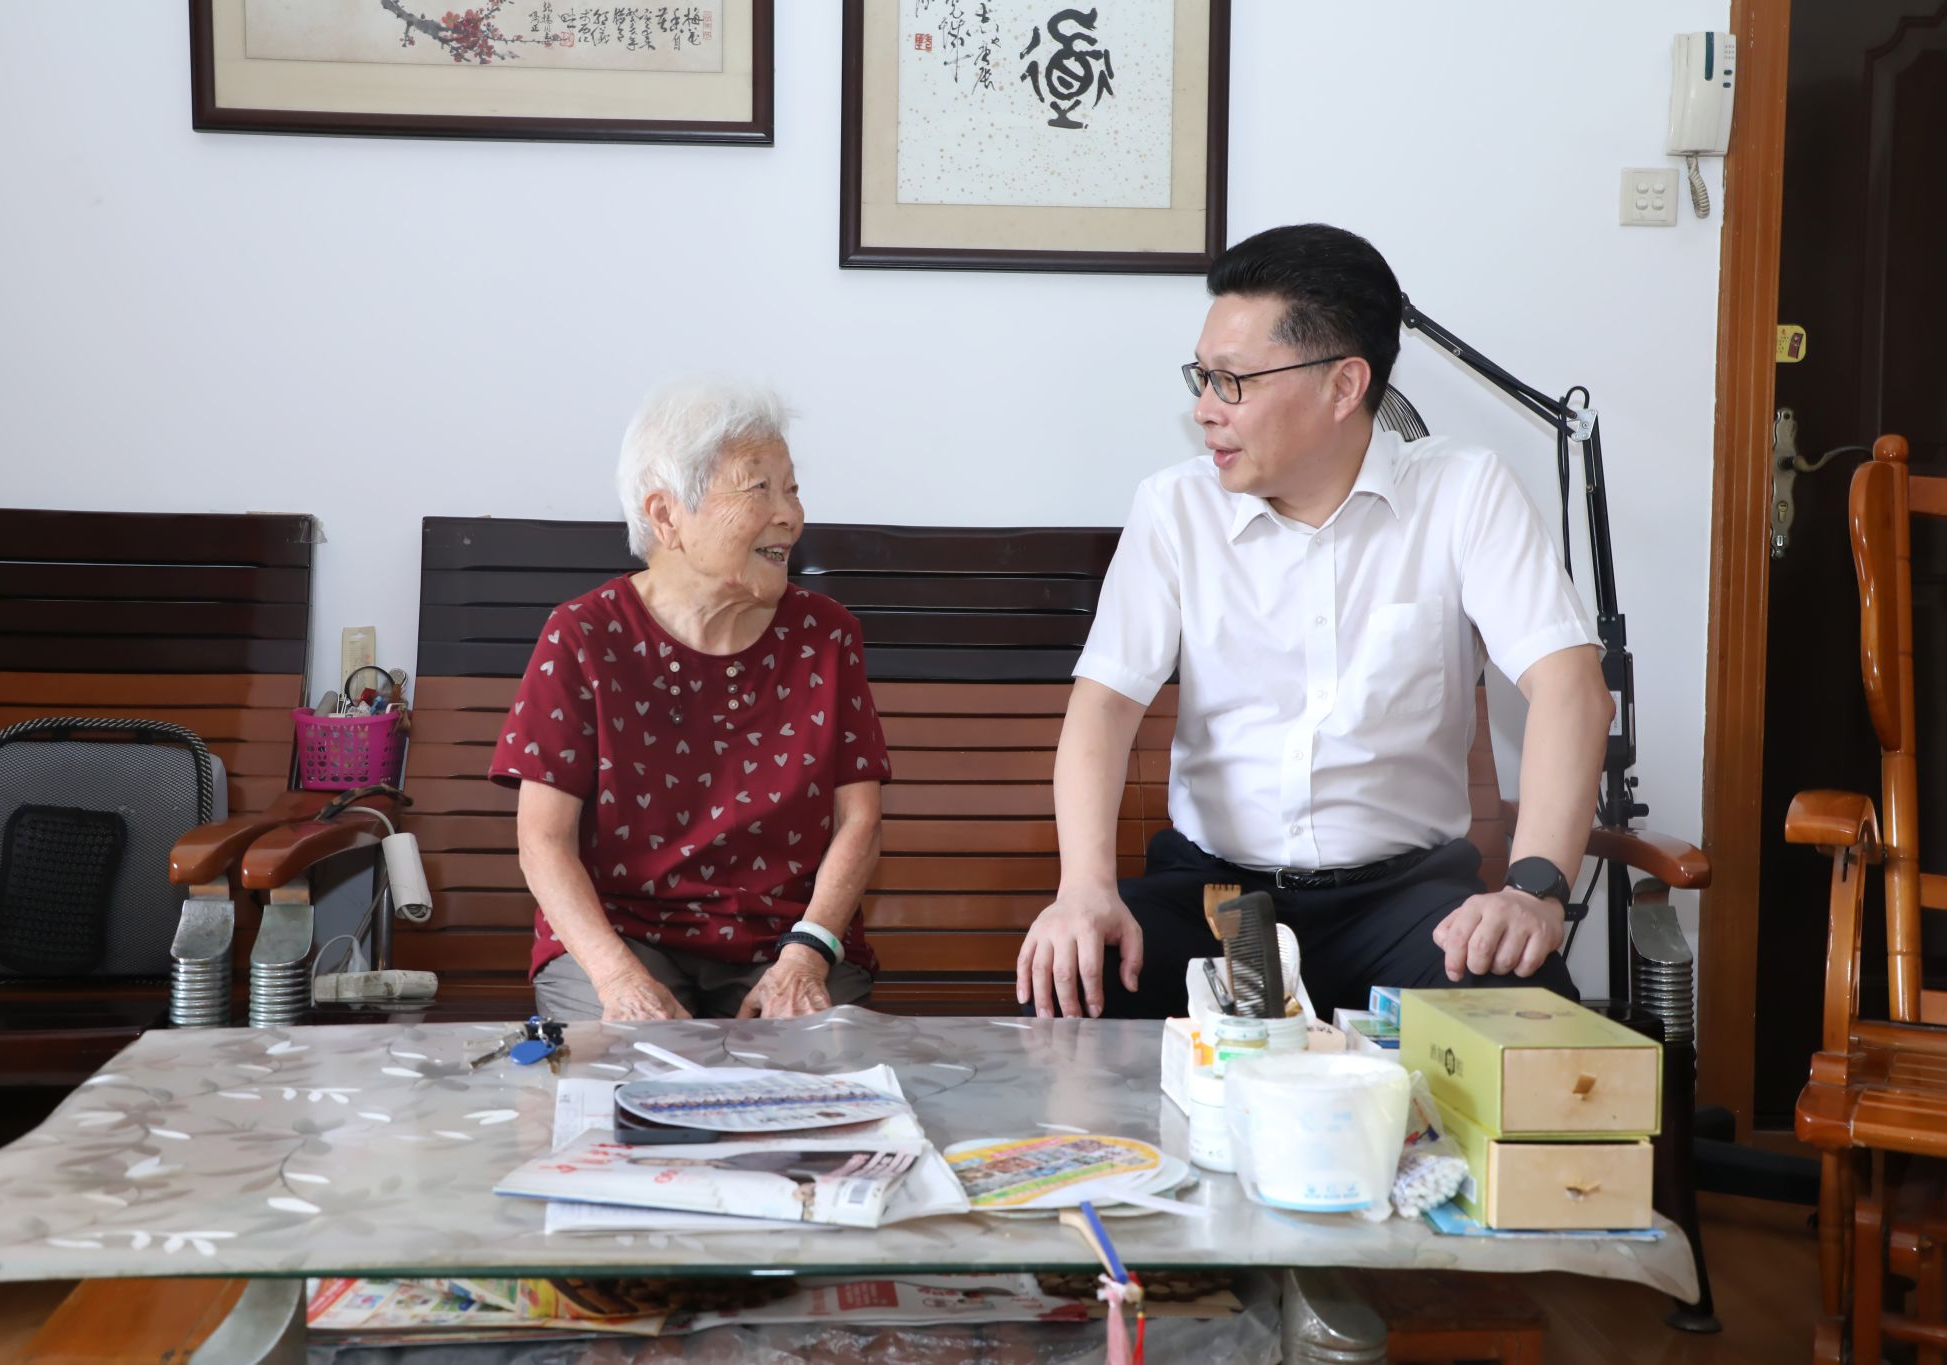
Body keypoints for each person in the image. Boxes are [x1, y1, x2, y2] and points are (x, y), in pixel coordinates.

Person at [1016, 223, 1613, 1020]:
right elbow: (1105, 706)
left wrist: (1535, 889)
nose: (1203, 409)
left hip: (1405, 903)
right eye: (1202, 376)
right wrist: (1085, 889)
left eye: (1231, 381)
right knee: (1075, 985)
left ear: (1343, 386)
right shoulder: (1176, 509)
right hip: (1223, 905)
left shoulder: (1464, 493)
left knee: (1526, 1010)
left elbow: (1571, 687)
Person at [489, 384, 892, 1021]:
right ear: (667, 515)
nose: (790, 515)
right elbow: (543, 840)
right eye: (759, 488)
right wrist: (618, 979)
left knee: (817, 1059)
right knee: (627, 1060)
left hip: (787, 939)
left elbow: (859, 823)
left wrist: (806, 957)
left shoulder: (826, 634)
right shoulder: (584, 635)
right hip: (620, 937)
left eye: (792, 489)